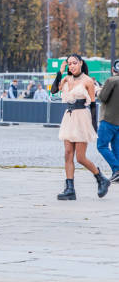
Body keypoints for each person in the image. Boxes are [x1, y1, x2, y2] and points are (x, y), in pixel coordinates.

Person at [51, 54, 110, 200]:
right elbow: (53, 91)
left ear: (81, 63)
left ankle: (101, 178)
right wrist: (60, 71)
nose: (72, 66)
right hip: (69, 116)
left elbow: (93, 105)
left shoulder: (88, 81)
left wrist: (94, 128)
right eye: (69, 64)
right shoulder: (66, 78)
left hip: (82, 117)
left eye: (74, 63)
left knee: (80, 157)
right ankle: (70, 189)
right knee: (67, 154)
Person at [96, 60, 119, 182]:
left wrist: (97, 90)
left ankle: (116, 169)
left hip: (108, 119)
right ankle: (117, 174)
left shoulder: (111, 81)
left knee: (102, 146)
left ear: (113, 69)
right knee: (116, 147)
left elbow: (102, 97)